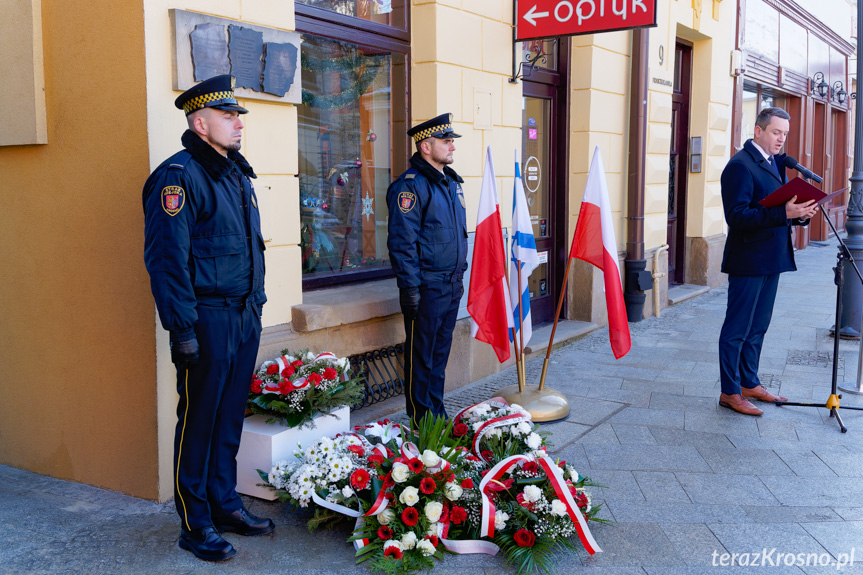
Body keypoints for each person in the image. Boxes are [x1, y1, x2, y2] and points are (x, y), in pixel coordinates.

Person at [142, 75, 273, 562]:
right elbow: (166, 260)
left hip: (243, 314)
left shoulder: (235, 173)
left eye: (238, 115)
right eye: (228, 115)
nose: (239, 123)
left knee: (229, 415)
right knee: (199, 419)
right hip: (207, 319)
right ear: (201, 123)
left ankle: (224, 503)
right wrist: (182, 329)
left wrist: (256, 303)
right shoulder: (178, 178)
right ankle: (194, 521)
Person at [718, 107, 818, 416]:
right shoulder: (739, 165)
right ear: (758, 130)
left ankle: (749, 382)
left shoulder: (775, 163)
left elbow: (777, 208)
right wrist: (784, 214)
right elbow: (736, 215)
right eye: (776, 132)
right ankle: (730, 392)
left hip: (771, 257)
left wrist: (799, 216)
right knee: (737, 329)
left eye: (785, 134)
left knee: (759, 326)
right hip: (748, 259)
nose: (781, 139)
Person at [387, 113, 468, 425]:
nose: (452, 147)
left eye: (451, 141)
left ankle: (438, 414)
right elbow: (402, 243)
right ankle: (422, 421)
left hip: (451, 283)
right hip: (427, 286)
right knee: (421, 356)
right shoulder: (410, 188)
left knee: (439, 355)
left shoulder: (449, 183)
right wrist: (409, 288)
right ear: (425, 146)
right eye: (446, 141)